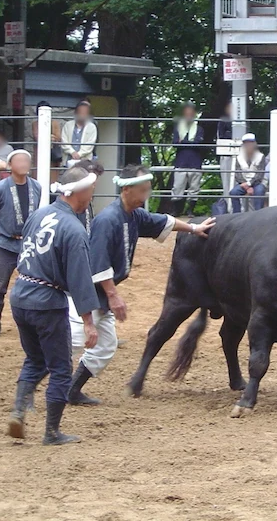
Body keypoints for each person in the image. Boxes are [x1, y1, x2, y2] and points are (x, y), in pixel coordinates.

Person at [68, 165, 215, 406]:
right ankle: (31, 381)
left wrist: (193, 228)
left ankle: (72, 390)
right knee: (69, 342)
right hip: (87, 292)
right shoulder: (108, 220)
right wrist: (113, 296)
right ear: (127, 190)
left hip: (101, 293)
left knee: (105, 346)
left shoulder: (133, 215)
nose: (146, 196)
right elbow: (98, 265)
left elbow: (163, 221)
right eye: (143, 191)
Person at [6, 166, 100, 445]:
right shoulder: (74, 229)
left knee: (35, 359)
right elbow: (81, 279)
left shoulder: (39, 214)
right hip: (46, 303)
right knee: (60, 367)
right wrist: (88, 322)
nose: (93, 193)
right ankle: (51, 432)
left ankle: (19, 410)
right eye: (91, 188)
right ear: (79, 192)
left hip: (21, 294)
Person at [0, 150, 42, 338]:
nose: (24, 163)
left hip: (29, 244)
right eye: (19, 160)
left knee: (35, 283)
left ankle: (32, 323)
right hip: (6, 244)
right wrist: (2, 237)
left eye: (27, 160)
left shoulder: (37, 187)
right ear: (9, 166)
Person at [171, 103, 205, 217]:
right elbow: (175, 143)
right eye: (187, 113)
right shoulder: (178, 128)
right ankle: (177, 211)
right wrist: (189, 143)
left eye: (191, 113)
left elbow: (198, 144)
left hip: (195, 162)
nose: (189, 115)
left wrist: (183, 142)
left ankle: (190, 211)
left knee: (194, 188)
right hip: (181, 162)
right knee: (177, 187)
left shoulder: (199, 129)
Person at [230, 133, 267, 213]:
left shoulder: (261, 156)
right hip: (244, 183)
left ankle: (259, 214)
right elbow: (238, 173)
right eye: (246, 143)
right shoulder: (239, 157)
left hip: (257, 183)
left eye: (250, 143)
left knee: (259, 191)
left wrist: (249, 184)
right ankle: (237, 215)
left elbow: (259, 175)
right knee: (233, 193)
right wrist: (246, 186)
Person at [31, 100, 63, 182]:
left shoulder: (55, 123)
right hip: (39, 152)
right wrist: (49, 137)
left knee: (52, 178)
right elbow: (37, 136)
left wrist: (47, 137)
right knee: (38, 175)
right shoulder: (35, 124)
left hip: (52, 153)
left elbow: (58, 137)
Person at [61, 100, 97, 166]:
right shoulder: (67, 125)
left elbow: (90, 144)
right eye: (81, 112)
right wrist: (72, 152)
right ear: (76, 113)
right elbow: (63, 141)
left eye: (85, 112)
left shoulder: (92, 127)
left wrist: (79, 154)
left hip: (85, 161)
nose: (83, 115)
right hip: (68, 160)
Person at [217, 101, 234, 201]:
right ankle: (227, 203)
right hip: (226, 152)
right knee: (227, 182)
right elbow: (221, 137)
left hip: (241, 154)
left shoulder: (242, 120)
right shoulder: (223, 120)